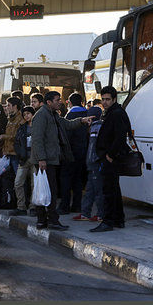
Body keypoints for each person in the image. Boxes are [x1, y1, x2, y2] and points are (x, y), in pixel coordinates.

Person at [31, 91, 94, 231]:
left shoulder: (53, 115)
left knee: (47, 191)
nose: (60, 102)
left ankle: (43, 221)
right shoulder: (42, 115)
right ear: (49, 102)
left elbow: (67, 124)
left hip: (51, 159)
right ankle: (50, 221)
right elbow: (37, 139)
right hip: (45, 161)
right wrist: (41, 159)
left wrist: (82, 121)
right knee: (48, 192)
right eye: (57, 100)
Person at [91, 86, 132, 232]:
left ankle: (108, 221)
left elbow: (120, 137)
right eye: (103, 99)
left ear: (114, 99)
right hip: (109, 157)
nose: (105, 102)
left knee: (108, 190)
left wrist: (110, 155)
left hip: (111, 158)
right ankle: (117, 219)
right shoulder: (112, 112)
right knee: (113, 189)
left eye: (108, 99)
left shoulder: (116, 113)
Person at [58, 93, 88, 214]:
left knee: (65, 179)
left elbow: (66, 135)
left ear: (70, 102)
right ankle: (77, 205)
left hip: (70, 152)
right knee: (78, 180)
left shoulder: (70, 115)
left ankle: (64, 206)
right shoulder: (86, 113)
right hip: (83, 152)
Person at [73, 106, 104, 222]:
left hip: (94, 163)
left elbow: (93, 148)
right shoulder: (95, 127)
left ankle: (101, 214)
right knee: (90, 189)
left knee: (97, 190)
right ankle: (85, 213)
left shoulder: (96, 128)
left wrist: (91, 160)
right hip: (92, 163)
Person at [14, 106, 36, 214]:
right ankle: (21, 206)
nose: (26, 116)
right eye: (24, 114)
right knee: (18, 183)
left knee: (34, 184)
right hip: (23, 158)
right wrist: (20, 153)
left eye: (28, 113)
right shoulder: (22, 128)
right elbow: (17, 142)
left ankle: (33, 206)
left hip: (35, 158)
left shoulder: (38, 126)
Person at [0, 97, 24, 174]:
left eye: (8, 105)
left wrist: (4, 136)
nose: (6, 107)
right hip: (8, 153)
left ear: (15, 106)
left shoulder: (20, 119)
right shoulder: (10, 118)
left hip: (16, 154)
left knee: (18, 179)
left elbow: (19, 137)